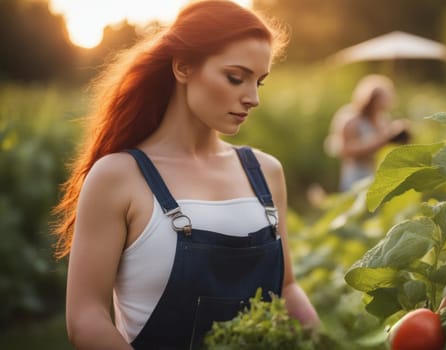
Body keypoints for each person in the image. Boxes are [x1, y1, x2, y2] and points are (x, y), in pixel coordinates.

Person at [52, 1, 319, 349]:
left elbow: (286, 287)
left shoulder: (266, 172)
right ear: (183, 68)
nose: (253, 98)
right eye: (236, 78)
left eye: (260, 82)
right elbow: (86, 319)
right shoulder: (117, 176)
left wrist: (320, 341)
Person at [325, 74, 411, 192]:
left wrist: (399, 136)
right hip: (356, 175)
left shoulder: (383, 118)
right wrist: (384, 138)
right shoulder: (351, 120)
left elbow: (386, 148)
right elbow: (347, 151)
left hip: (377, 173)